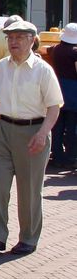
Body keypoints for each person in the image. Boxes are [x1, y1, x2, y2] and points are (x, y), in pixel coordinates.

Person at [0, 19, 63, 255]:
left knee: (28, 190)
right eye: (10, 37)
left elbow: (54, 106)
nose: (13, 42)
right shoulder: (0, 67)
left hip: (32, 131)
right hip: (3, 129)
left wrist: (42, 133)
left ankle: (28, 238)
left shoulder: (42, 70)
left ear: (31, 40)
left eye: (19, 37)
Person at [48, 22, 77, 171]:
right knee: (72, 127)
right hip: (73, 92)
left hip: (58, 90)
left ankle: (57, 155)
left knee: (57, 126)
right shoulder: (75, 52)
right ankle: (71, 157)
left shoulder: (55, 50)